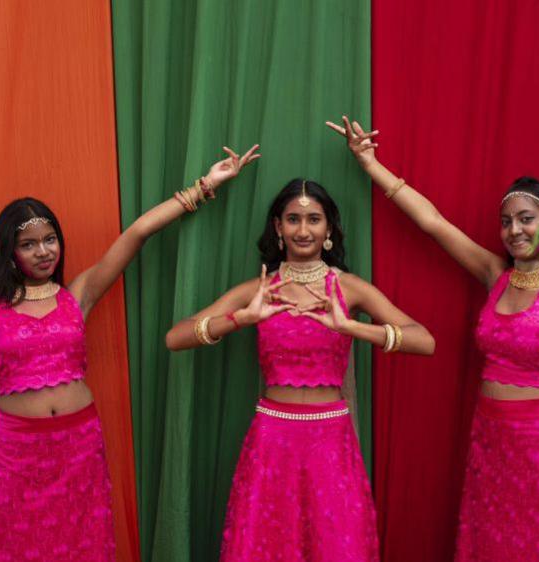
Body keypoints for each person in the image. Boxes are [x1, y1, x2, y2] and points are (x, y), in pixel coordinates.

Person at [327, 116, 539, 561]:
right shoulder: (497, 276)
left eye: (526, 219)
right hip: (490, 439)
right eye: (506, 222)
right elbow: (433, 223)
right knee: (495, 543)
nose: (515, 231)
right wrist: (371, 164)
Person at [0, 145, 261, 560]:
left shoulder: (78, 296)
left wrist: (204, 186)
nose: (44, 251)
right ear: (10, 252)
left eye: (50, 239)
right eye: (29, 244)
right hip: (16, 452)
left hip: (79, 448)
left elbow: (137, 234)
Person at [166, 178, 435, 561]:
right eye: (293, 219)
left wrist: (351, 327)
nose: (303, 230)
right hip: (272, 439)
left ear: (329, 229)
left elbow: (424, 340)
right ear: (278, 227)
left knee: (336, 545)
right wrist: (240, 318)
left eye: (314, 219)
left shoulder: (351, 288)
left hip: (330, 440)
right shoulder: (259, 289)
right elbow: (175, 337)